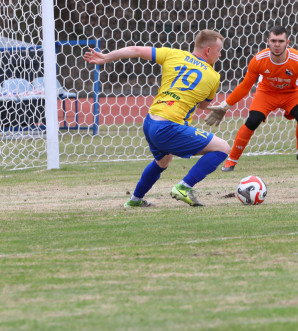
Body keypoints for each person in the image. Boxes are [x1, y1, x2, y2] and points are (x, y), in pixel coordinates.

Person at [83, 30, 229, 208]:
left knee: (163, 161)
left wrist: (105, 58)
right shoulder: (213, 76)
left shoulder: (173, 54)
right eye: (219, 50)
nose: (220, 54)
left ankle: (135, 200)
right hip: (169, 126)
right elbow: (202, 106)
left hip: (150, 122)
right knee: (222, 148)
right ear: (207, 51)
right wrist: (220, 109)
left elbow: (135, 49)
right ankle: (184, 187)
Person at [203, 25, 298, 172]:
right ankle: (232, 160)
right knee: (253, 120)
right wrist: (226, 105)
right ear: (267, 41)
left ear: (287, 42)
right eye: (274, 40)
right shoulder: (258, 59)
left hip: (292, 92)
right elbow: (245, 86)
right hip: (266, 92)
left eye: (281, 41)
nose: (277, 44)